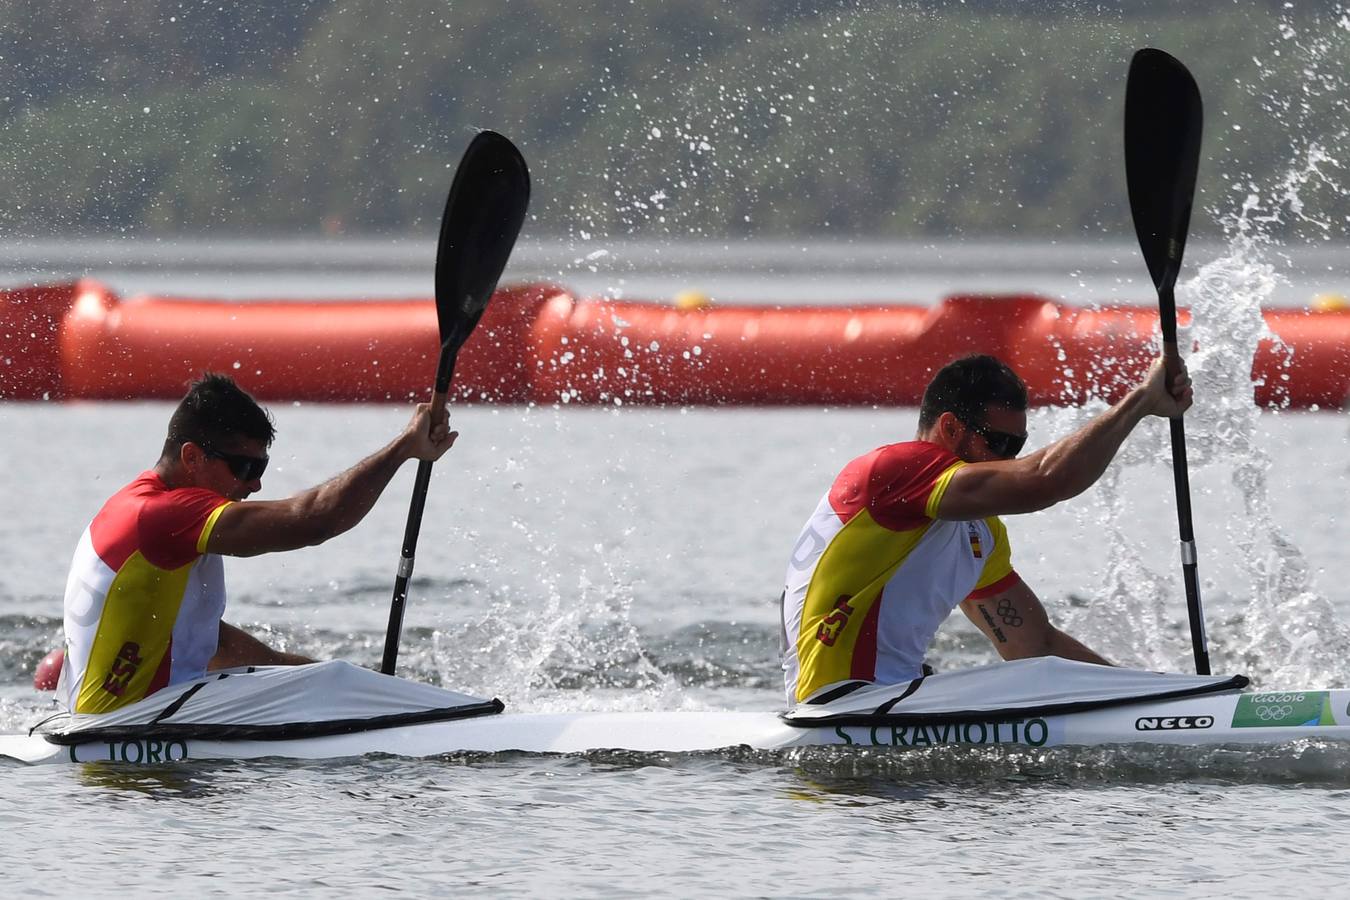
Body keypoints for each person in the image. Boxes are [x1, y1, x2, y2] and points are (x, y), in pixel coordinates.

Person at [780, 353, 1192, 705]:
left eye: (1016, 447)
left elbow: (1036, 646)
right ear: (951, 429)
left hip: (892, 702)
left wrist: (1156, 696)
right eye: (998, 443)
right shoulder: (896, 470)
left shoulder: (979, 533)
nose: (1007, 458)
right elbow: (1045, 481)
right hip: (842, 703)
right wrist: (1140, 400)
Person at [59, 373, 456, 714]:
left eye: (261, 467)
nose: (256, 484)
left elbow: (209, 640)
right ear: (192, 456)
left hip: (117, 716)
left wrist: (307, 672)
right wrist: (404, 447)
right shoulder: (162, 516)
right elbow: (315, 519)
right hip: (128, 725)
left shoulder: (133, 505)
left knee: (330, 678)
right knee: (335, 684)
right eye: (245, 467)